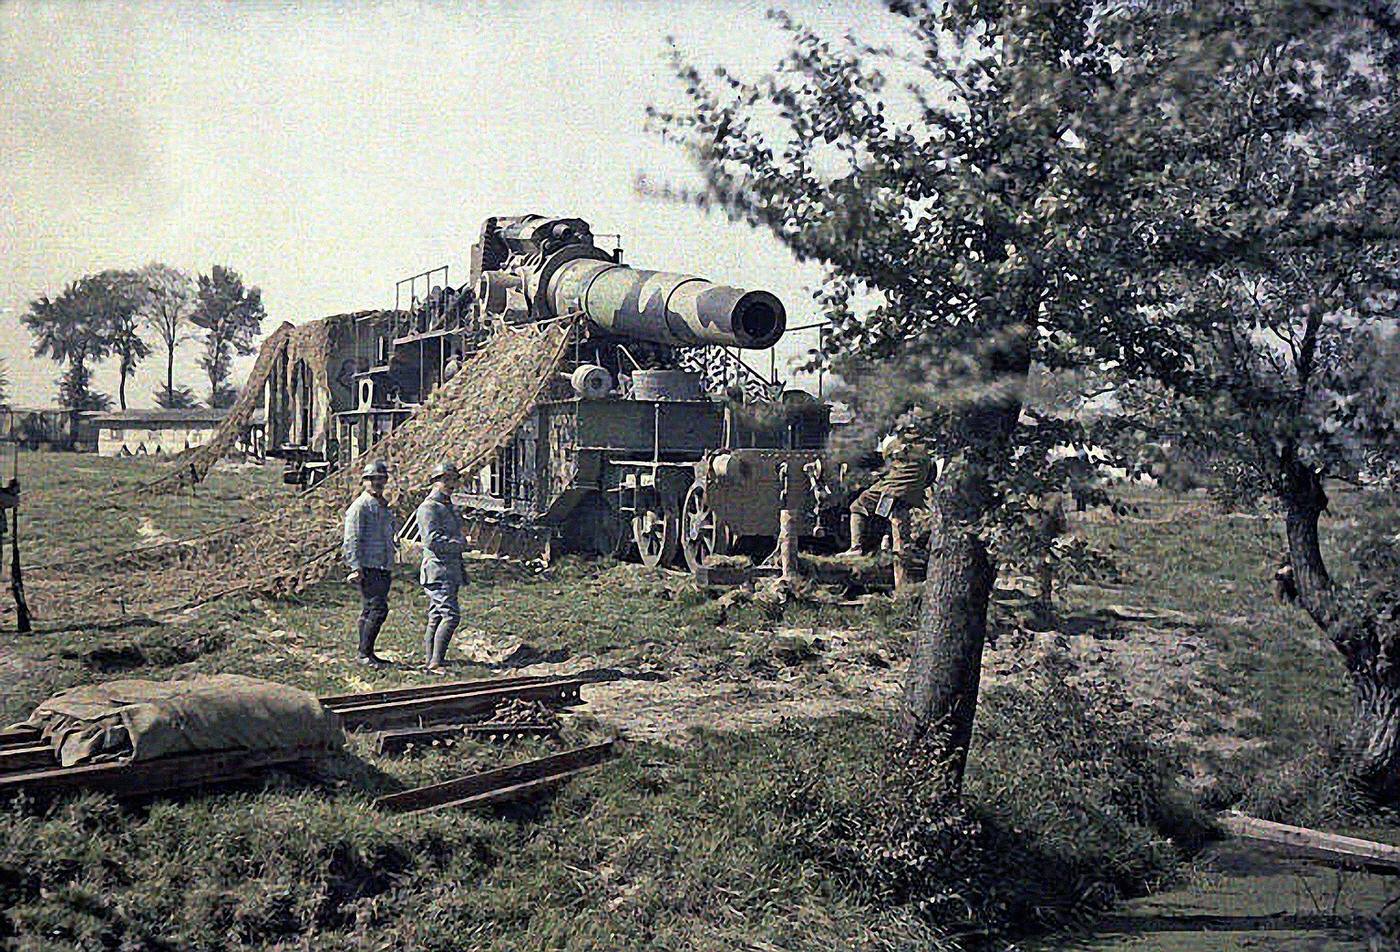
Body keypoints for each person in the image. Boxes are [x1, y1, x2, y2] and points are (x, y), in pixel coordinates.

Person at [844, 431, 931, 589]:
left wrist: (878, 475)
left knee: (858, 505)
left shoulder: (894, 442)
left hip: (892, 489)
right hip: (913, 492)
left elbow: (889, 465)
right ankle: (886, 544)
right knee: (892, 513)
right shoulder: (926, 447)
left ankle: (856, 547)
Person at [342, 459, 398, 667]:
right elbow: (352, 539)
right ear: (364, 481)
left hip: (383, 565)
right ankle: (364, 654)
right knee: (377, 609)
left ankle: (367, 653)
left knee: (370, 609)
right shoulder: (360, 507)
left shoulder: (382, 505)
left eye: (381, 479)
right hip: (368, 566)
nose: (377, 483)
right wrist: (355, 567)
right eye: (372, 479)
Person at [415, 461, 468, 671]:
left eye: (453, 480)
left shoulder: (448, 506)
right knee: (450, 616)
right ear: (435, 482)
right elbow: (432, 542)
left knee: (437, 615)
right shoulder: (429, 508)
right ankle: (435, 663)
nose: (450, 484)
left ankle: (433, 660)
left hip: (449, 570)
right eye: (445, 480)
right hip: (438, 570)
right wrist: (460, 544)